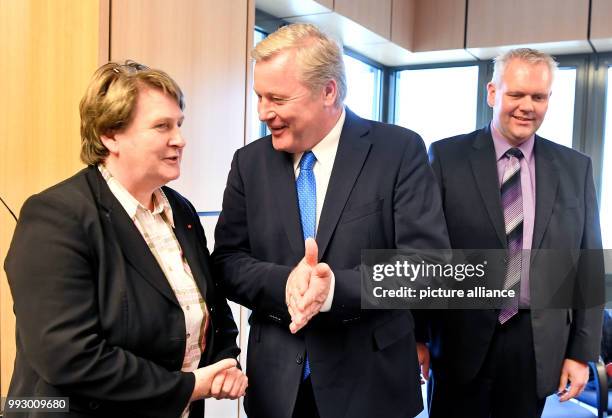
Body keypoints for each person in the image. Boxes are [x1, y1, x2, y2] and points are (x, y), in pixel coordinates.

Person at [212, 23, 449, 418]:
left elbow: (428, 266)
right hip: (277, 389)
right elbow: (226, 263)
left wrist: (336, 288)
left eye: (277, 98)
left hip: (371, 384)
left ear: (328, 92)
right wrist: (284, 281)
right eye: (258, 97)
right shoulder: (248, 163)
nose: (263, 112)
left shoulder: (399, 150)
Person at [4, 61, 247, 418]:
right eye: (162, 126)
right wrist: (188, 387)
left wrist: (225, 359)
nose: (180, 138)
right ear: (110, 135)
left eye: (179, 124)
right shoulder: (56, 216)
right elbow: (69, 356)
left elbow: (209, 303)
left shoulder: (180, 210)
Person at [427, 48, 604, 418]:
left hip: (536, 344)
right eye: (516, 94)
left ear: (549, 100)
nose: (527, 106)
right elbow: (426, 252)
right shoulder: (445, 158)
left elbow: (587, 265)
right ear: (493, 93)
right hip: (460, 339)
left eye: (538, 97)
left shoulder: (576, 168)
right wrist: (416, 338)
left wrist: (581, 354)